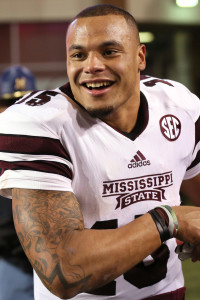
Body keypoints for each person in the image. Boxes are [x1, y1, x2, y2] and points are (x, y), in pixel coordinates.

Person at [0, 4, 199, 300]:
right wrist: (168, 220)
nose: (91, 65)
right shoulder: (39, 124)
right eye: (78, 54)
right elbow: (64, 271)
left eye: (109, 51)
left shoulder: (177, 105)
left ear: (140, 57)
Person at [0, 65, 36, 300]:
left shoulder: (52, 147)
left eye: (24, 102)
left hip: (57, 265)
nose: (16, 111)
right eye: (8, 103)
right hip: (8, 266)